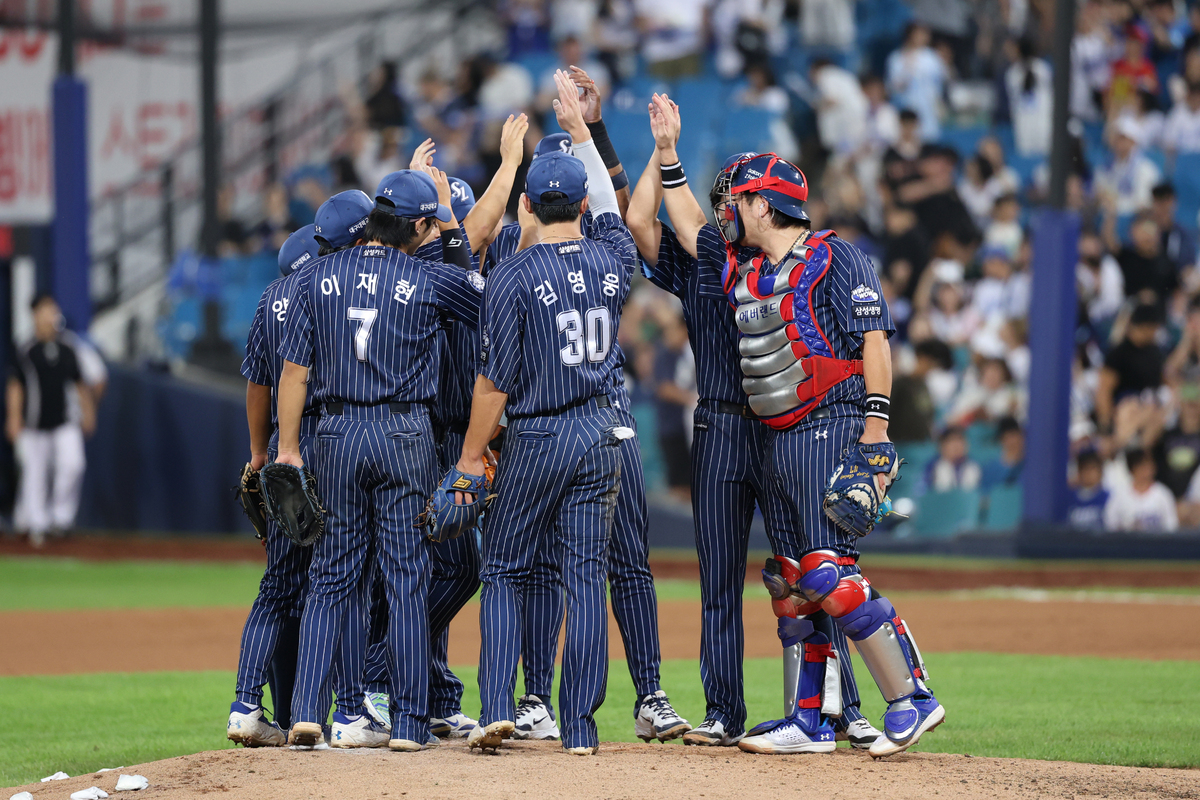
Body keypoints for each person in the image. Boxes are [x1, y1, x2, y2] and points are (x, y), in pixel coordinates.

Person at [650, 96, 942, 758]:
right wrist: (668, 159)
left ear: (763, 203)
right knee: (790, 580)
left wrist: (875, 432)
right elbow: (690, 223)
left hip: (831, 422)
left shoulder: (836, 258)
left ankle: (912, 697)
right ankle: (807, 719)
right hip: (776, 434)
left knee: (825, 572)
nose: (728, 211)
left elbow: (875, 341)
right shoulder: (745, 268)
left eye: (738, 200)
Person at [628, 138, 884, 749]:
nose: (727, 214)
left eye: (736, 203)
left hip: (783, 429)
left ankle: (838, 707)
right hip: (719, 428)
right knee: (719, 577)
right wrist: (657, 149)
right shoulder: (702, 260)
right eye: (724, 204)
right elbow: (641, 218)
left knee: (811, 571)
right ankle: (723, 712)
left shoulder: (769, 260)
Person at [458, 70, 637, 756]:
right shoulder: (613, 256)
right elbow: (618, 217)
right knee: (585, 578)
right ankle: (582, 730)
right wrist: (584, 132)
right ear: (584, 202)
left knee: (504, 570)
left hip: (536, 433)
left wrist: (472, 455)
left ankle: (500, 706)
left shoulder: (510, 275)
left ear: (527, 204)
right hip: (601, 430)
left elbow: (494, 383)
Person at [275, 167, 482, 752]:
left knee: (330, 577)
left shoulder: (316, 276)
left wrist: (289, 449)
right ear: (417, 225)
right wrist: (451, 226)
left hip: (335, 433)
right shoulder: (425, 276)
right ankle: (411, 726)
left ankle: (309, 713)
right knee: (407, 580)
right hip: (404, 434)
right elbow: (483, 299)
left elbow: (293, 373)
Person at [227, 224, 325, 749]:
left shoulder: (271, 298)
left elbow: (257, 383)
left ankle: (247, 705)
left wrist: (259, 455)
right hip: (328, 443)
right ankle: (339, 710)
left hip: (282, 457)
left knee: (279, 587)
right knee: (341, 584)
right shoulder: (335, 282)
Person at [6, 295, 96, 548]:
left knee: (74, 465)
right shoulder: (26, 349)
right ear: (35, 315)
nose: (50, 316)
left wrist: (88, 412)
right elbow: (15, 386)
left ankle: (61, 520)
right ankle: (37, 525)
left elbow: (80, 382)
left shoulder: (68, 347)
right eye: (45, 311)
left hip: (65, 422)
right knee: (33, 474)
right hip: (33, 424)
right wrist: (14, 418)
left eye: (53, 310)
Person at [1105, 449, 1179, 532]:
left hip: (1155, 543)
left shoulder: (1163, 494)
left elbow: (1171, 527)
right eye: (1141, 466)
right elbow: (1110, 525)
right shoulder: (1119, 495)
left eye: (1148, 465)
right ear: (1132, 469)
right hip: (1127, 543)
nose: (1146, 470)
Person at [923, 427, 981, 492]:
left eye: (960, 441)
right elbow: (922, 492)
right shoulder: (932, 467)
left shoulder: (974, 467)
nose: (957, 445)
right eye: (952, 441)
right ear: (942, 446)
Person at [1068, 450, 1109, 530]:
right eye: (1085, 469)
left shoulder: (1108, 498)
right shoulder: (1069, 499)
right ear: (1079, 472)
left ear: (1100, 472)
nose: (1089, 473)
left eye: (1092, 469)